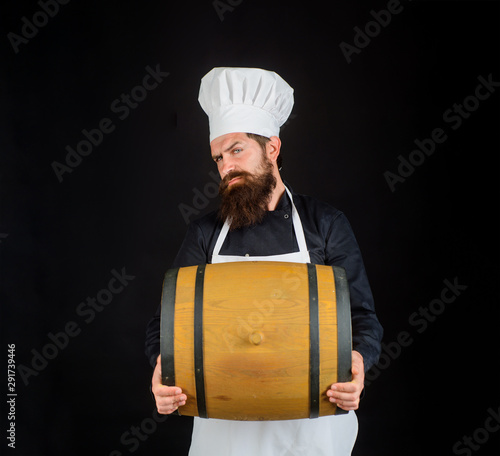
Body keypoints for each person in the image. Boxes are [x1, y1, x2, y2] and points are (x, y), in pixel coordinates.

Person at [145, 67, 383, 456]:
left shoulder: (325, 224)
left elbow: (362, 318)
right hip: (224, 432)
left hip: (312, 432)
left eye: (237, 150)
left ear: (272, 148)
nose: (226, 168)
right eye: (219, 157)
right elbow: (164, 324)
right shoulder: (204, 232)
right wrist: (161, 366)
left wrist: (357, 361)